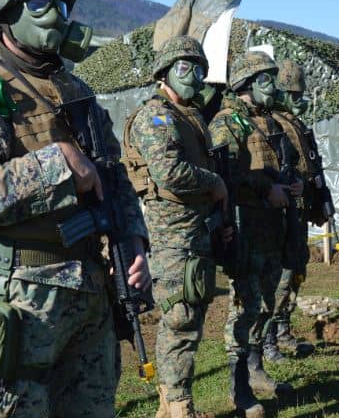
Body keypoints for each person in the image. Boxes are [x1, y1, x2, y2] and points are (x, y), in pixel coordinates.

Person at [0, 0, 151, 417]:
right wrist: (60, 161)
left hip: (89, 294)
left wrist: (133, 240)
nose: (57, 17)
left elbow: (114, 176)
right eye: (40, 5)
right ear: (5, 12)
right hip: (20, 300)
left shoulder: (77, 92)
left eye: (63, 4)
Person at [123, 35, 225, 418]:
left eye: (199, 69)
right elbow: (168, 173)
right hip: (172, 237)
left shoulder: (190, 115)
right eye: (184, 68)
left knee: (191, 318)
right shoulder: (157, 115)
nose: (194, 77)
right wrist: (215, 184)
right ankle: (179, 406)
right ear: (164, 72)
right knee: (179, 319)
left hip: (195, 231)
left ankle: (171, 407)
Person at [208, 50, 293, 417]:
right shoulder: (227, 123)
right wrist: (265, 188)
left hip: (272, 228)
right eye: (264, 79)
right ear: (245, 84)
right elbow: (226, 174)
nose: (271, 86)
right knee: (244, 307)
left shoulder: (267, 122)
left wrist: (291, 186)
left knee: (266, 303)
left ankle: (256, 369)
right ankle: (239, 386)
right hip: (245, 228)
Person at [263, 59, 316, 363]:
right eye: (292, 94)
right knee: (279, 277)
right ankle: (269, 338)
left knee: (296, 270)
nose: (298, 100)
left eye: (300, 94)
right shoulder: (271, 123)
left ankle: (283, 330)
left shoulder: (294, 123)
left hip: (299, 207)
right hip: (281, 212)